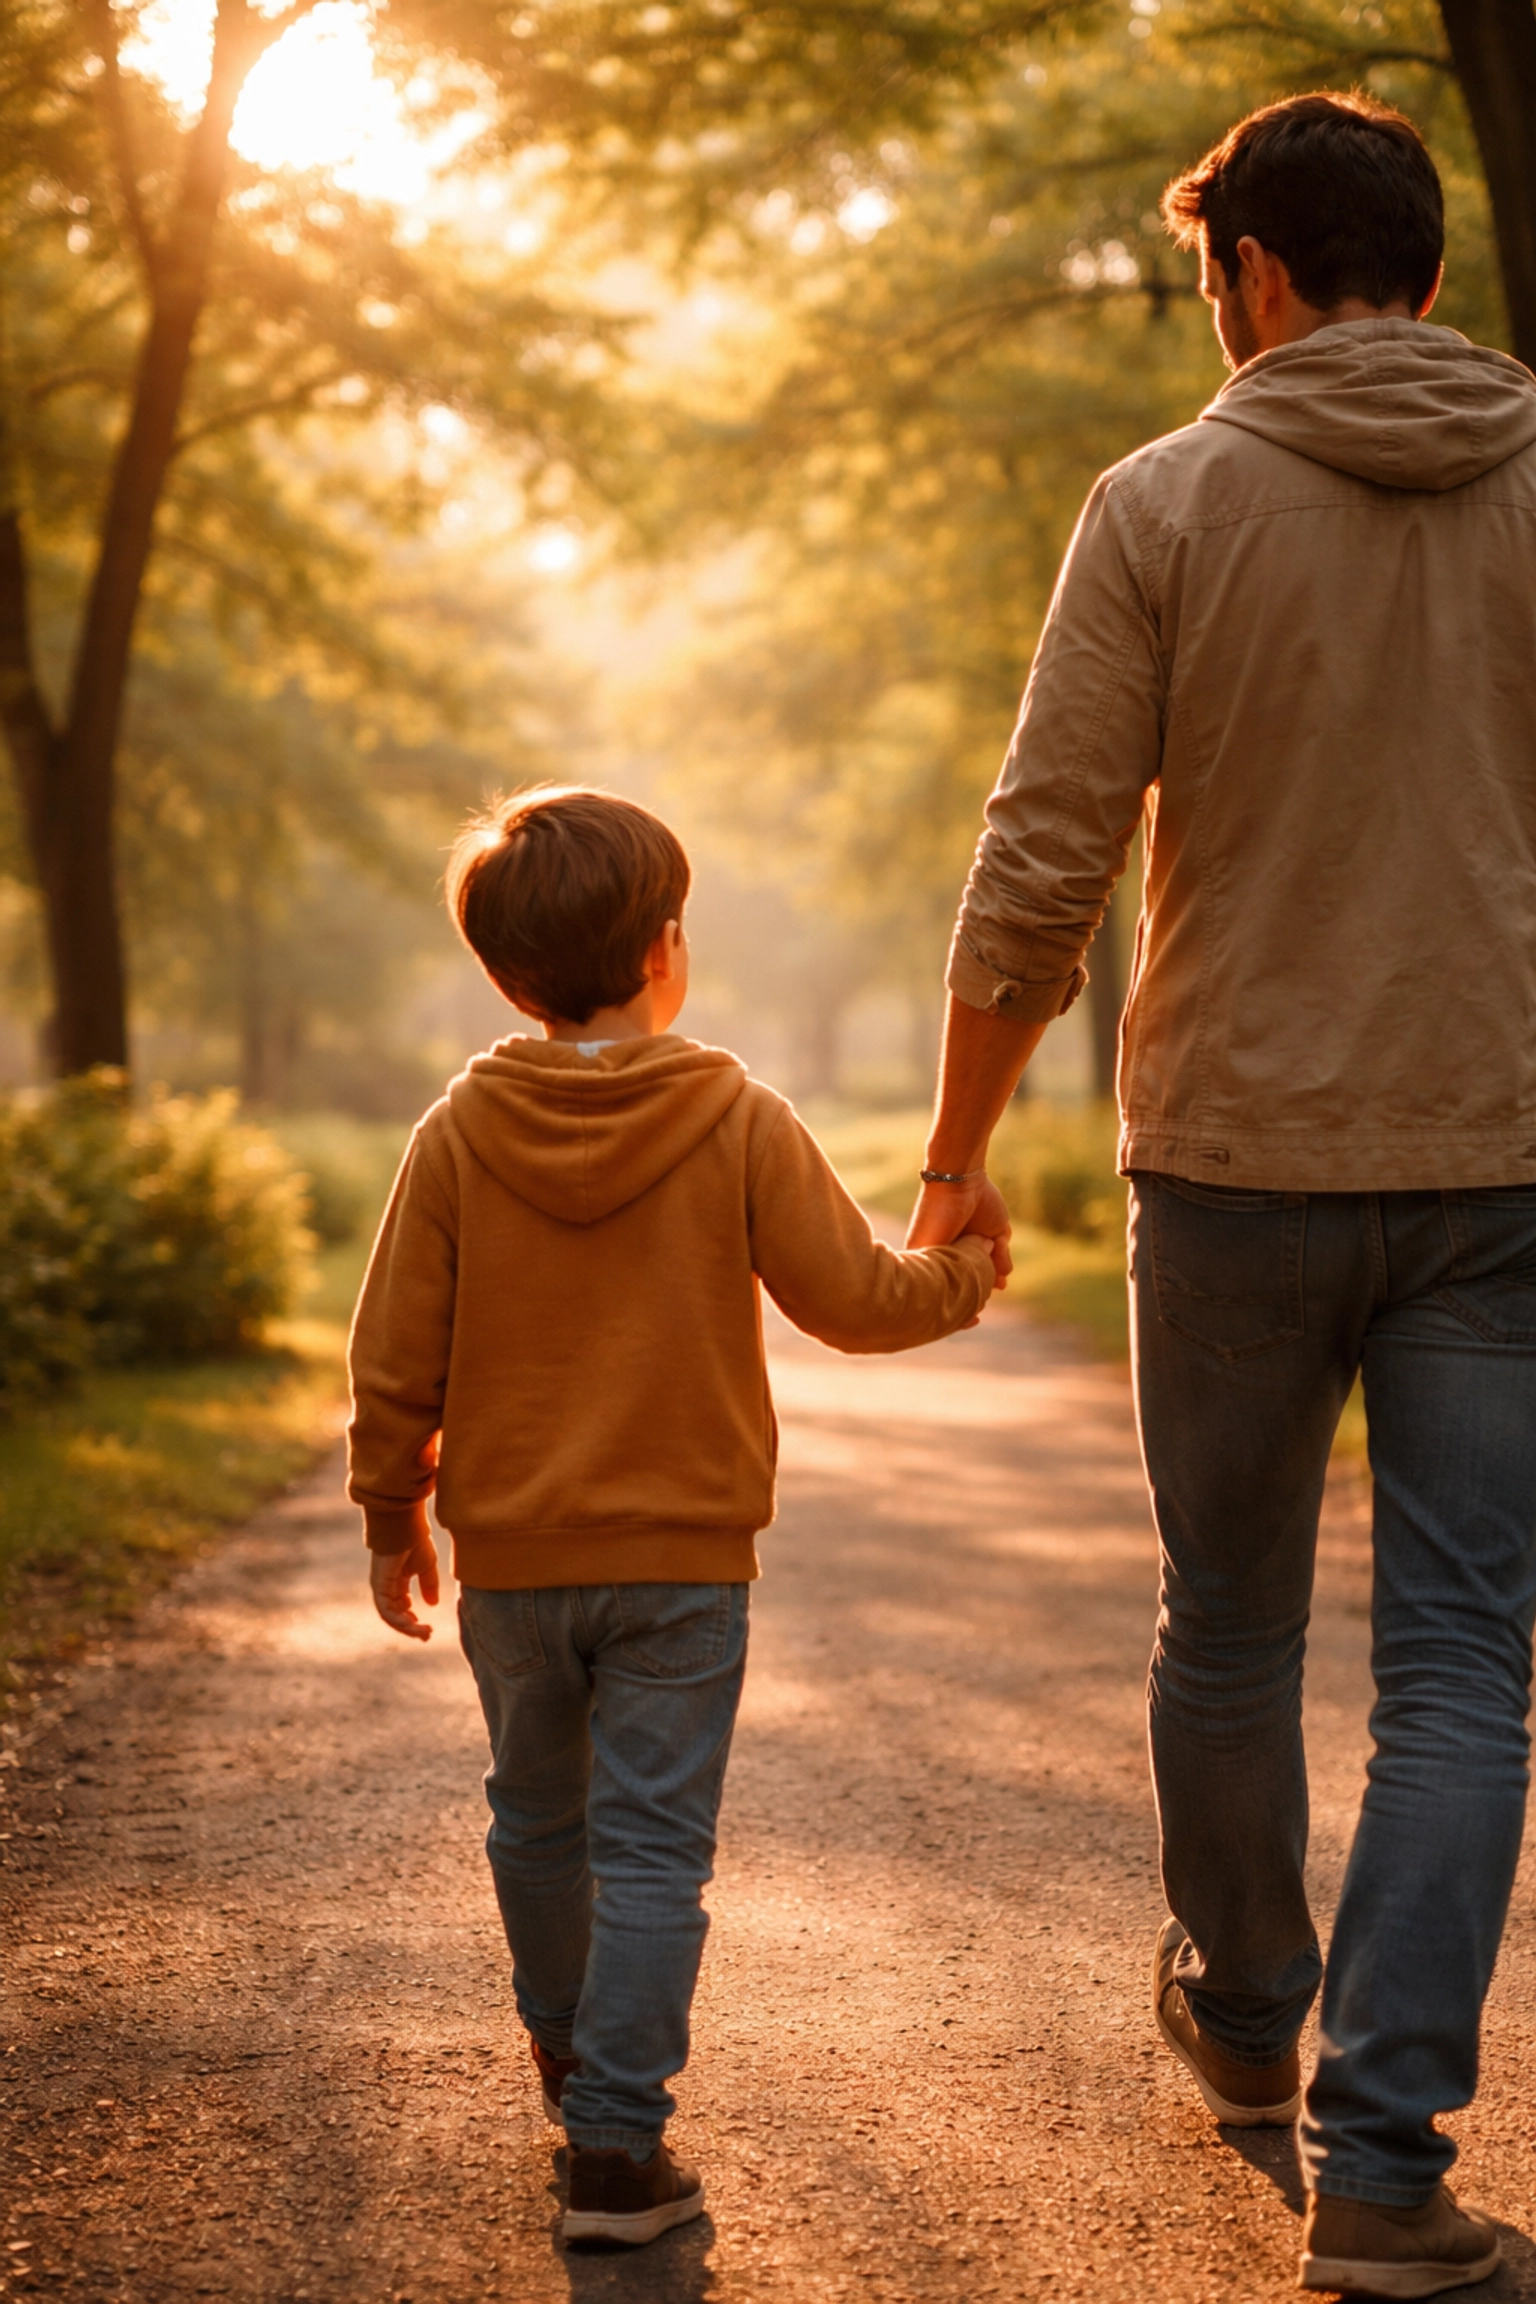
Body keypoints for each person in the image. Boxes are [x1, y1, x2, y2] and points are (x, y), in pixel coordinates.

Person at [907, 90, 1536, 2301]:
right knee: (1468, 1663)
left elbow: (1040, 858)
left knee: (1236, 1618)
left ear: (1255, 275)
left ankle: (1254, 2028)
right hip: (1503, 1165)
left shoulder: (1166, 499)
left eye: (1210, 284)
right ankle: (1386, 2168)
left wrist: (960, 1154)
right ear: (1429, 277)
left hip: (1240, 1160)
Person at [347, 786, 1000, 2248]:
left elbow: (391, 1354)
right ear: (669, 951)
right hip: (686, 1571)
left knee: (535, 1817)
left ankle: (571, 2060)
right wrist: (971, 1265)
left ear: (505, 980)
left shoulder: (456, 1136)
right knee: (650, 1850)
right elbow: (856, 1300)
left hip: (513, 1563)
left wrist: (396, 1512)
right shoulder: (733, 1117)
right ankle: (618, 2153)